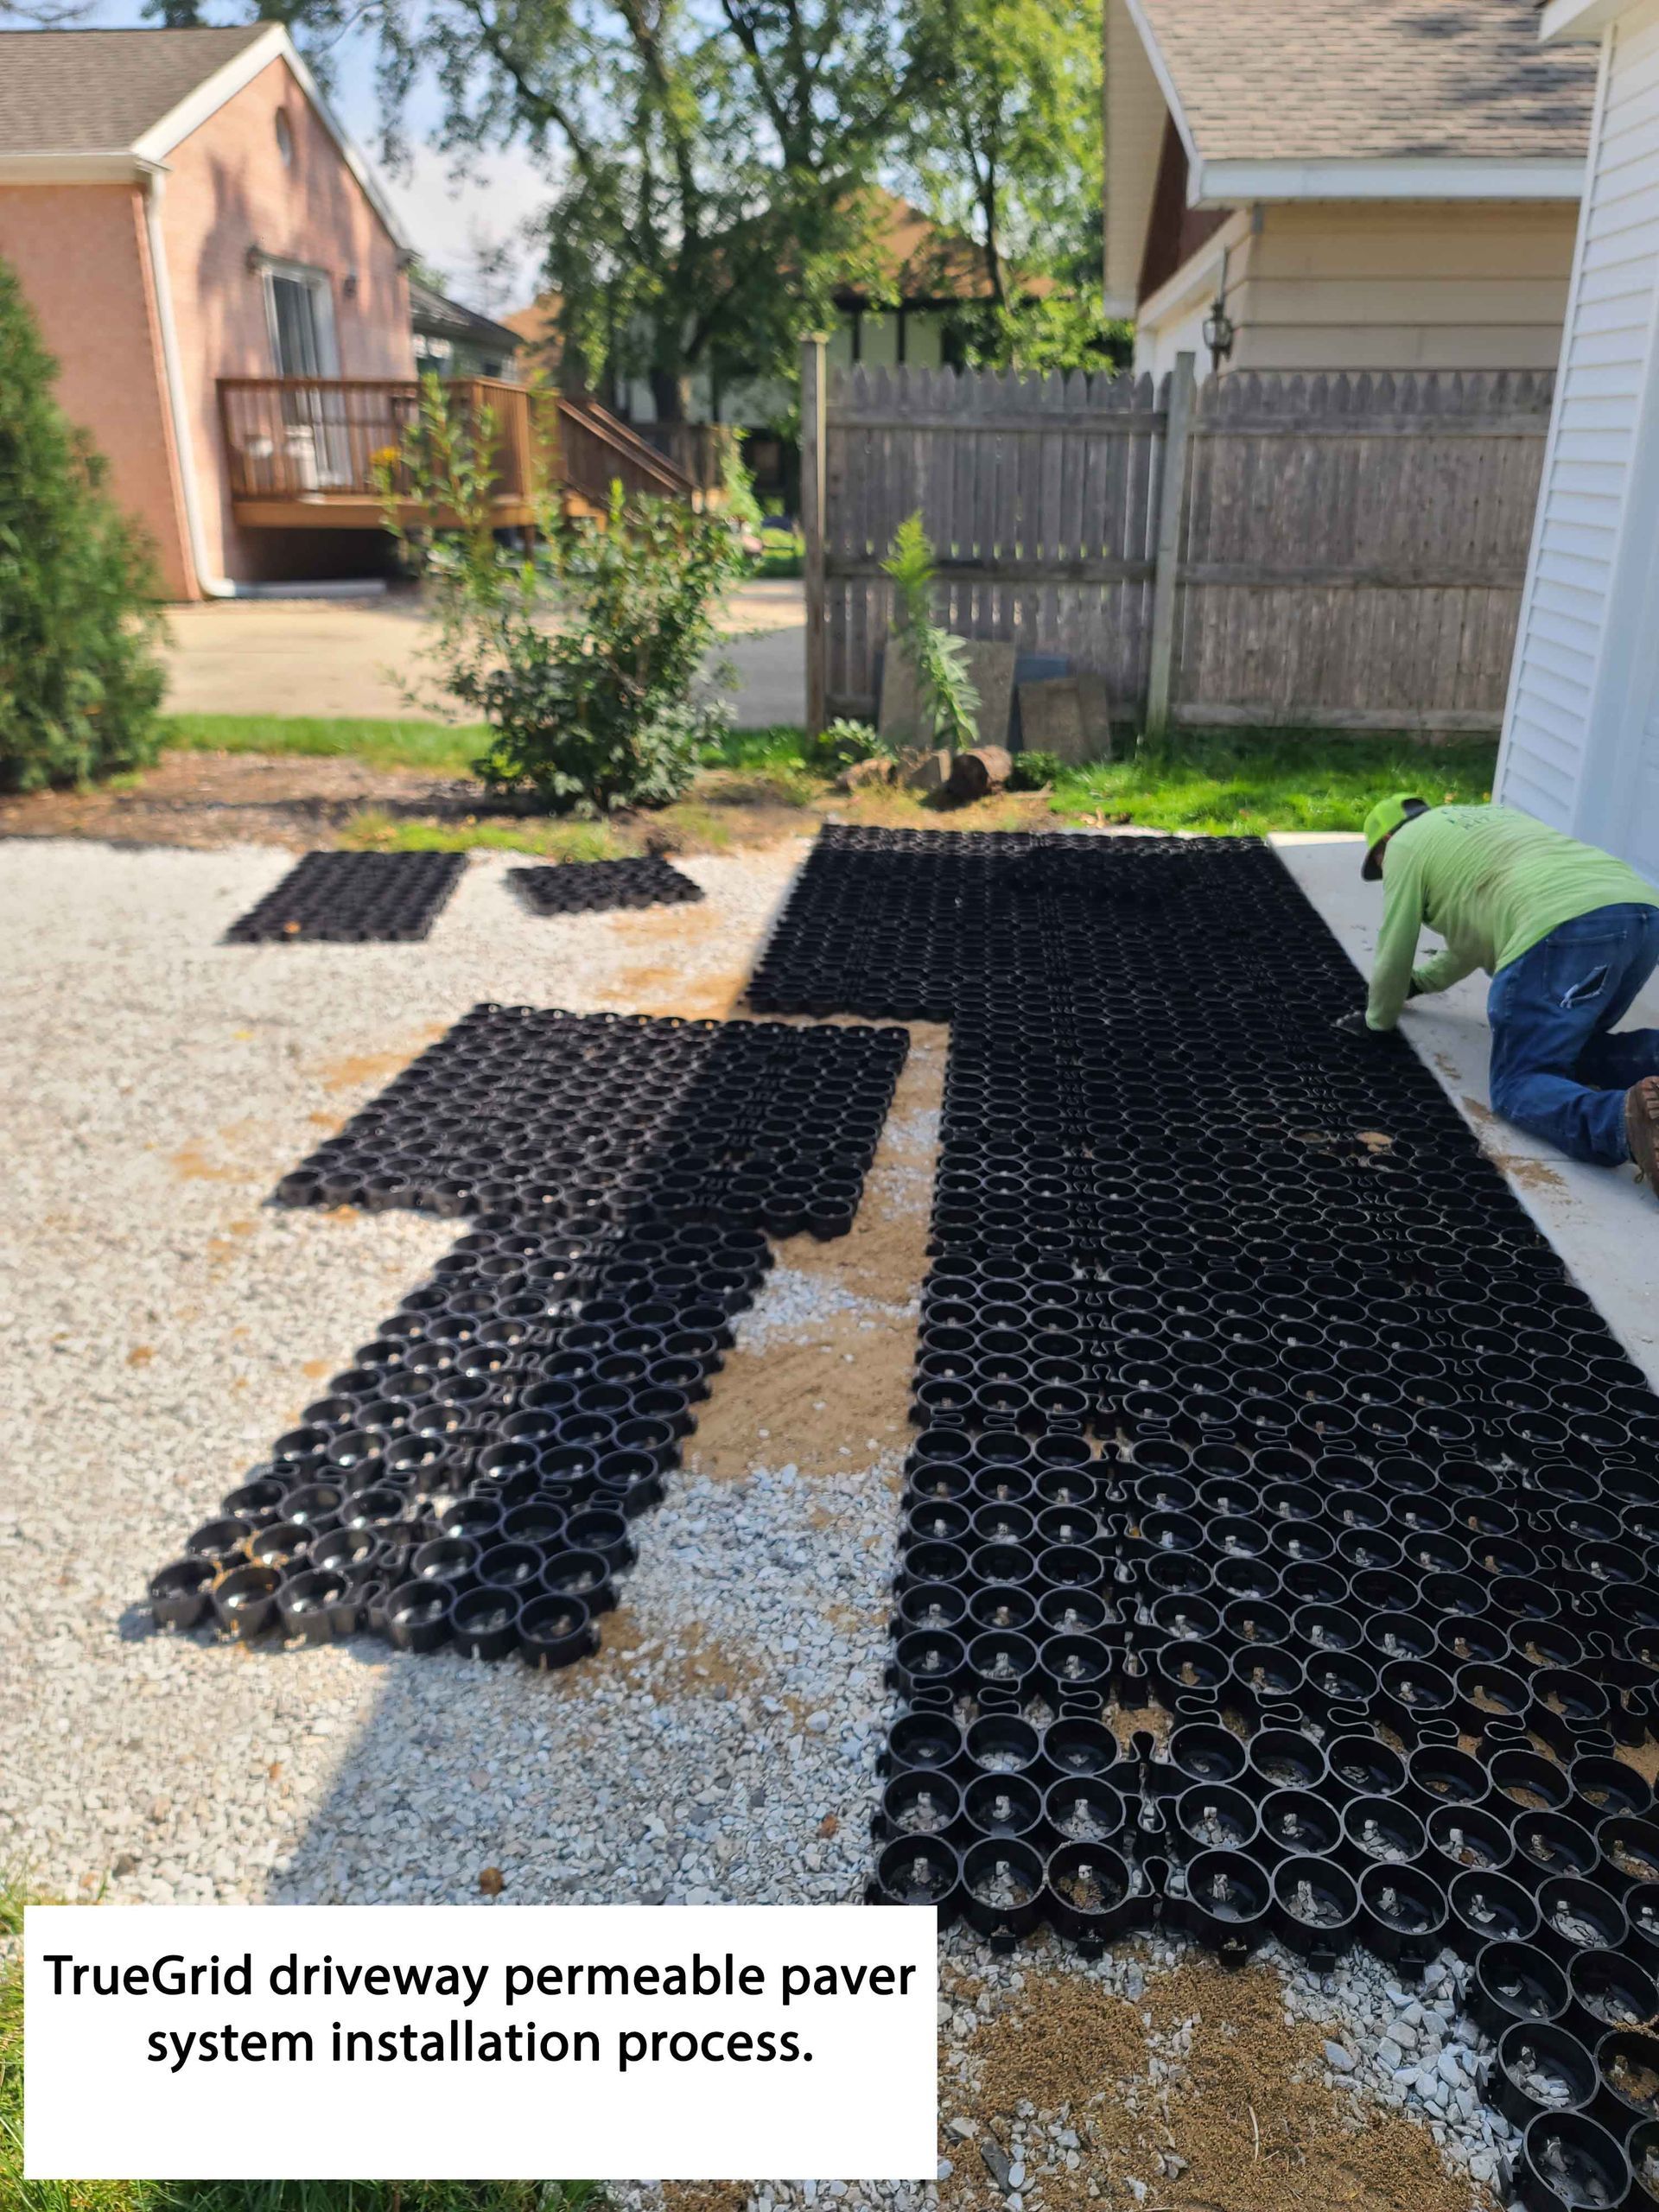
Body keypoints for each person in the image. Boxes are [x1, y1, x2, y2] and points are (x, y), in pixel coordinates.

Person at [1338, 794, 1659, 1187]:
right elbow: (1468, 945)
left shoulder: (1405, 846)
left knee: (1519, 1084)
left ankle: (1625, 1125)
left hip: (1562, 928)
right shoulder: (1486, 820)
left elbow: (1396, 941)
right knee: (1570, 1047)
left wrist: (1377, 1021)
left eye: (1379, 865)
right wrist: (1419, 984)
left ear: (1386, 841)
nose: (1385, 873)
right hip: (1640, 913)